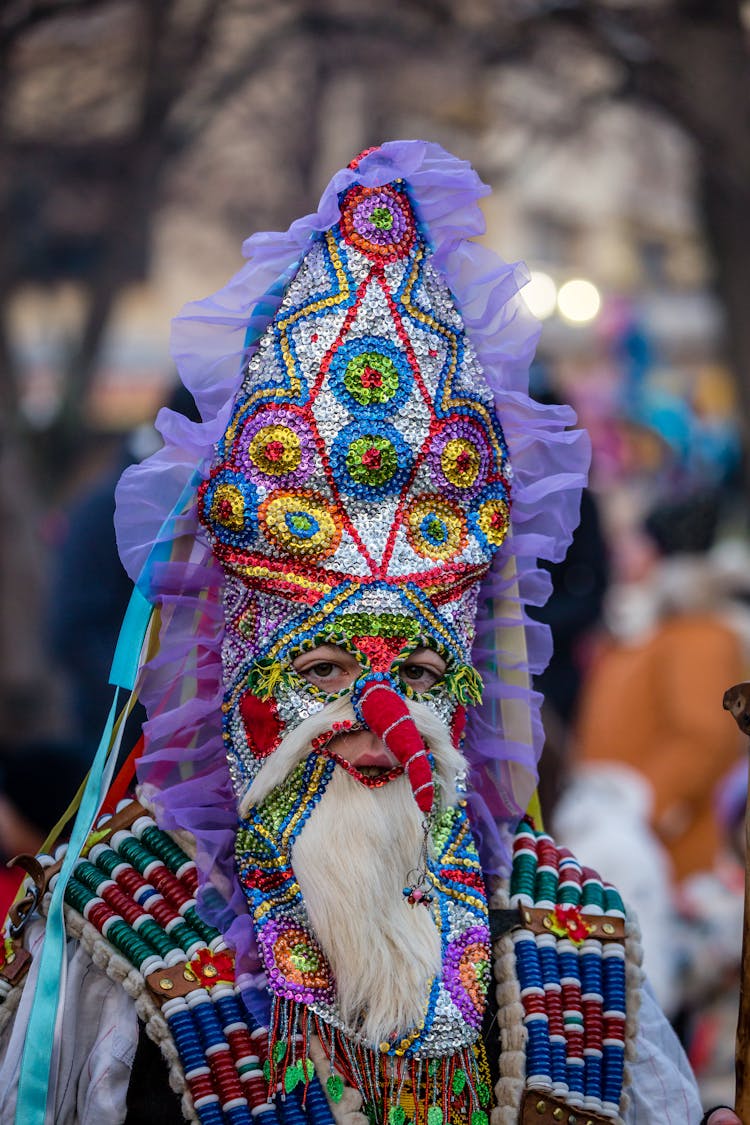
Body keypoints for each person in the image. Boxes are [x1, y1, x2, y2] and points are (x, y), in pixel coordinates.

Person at [0, 142, 737, 1125]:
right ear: (241, 673)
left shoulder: (573, 936)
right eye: (325, 665)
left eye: (421, 669)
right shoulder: (124, 920)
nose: (381, 712)